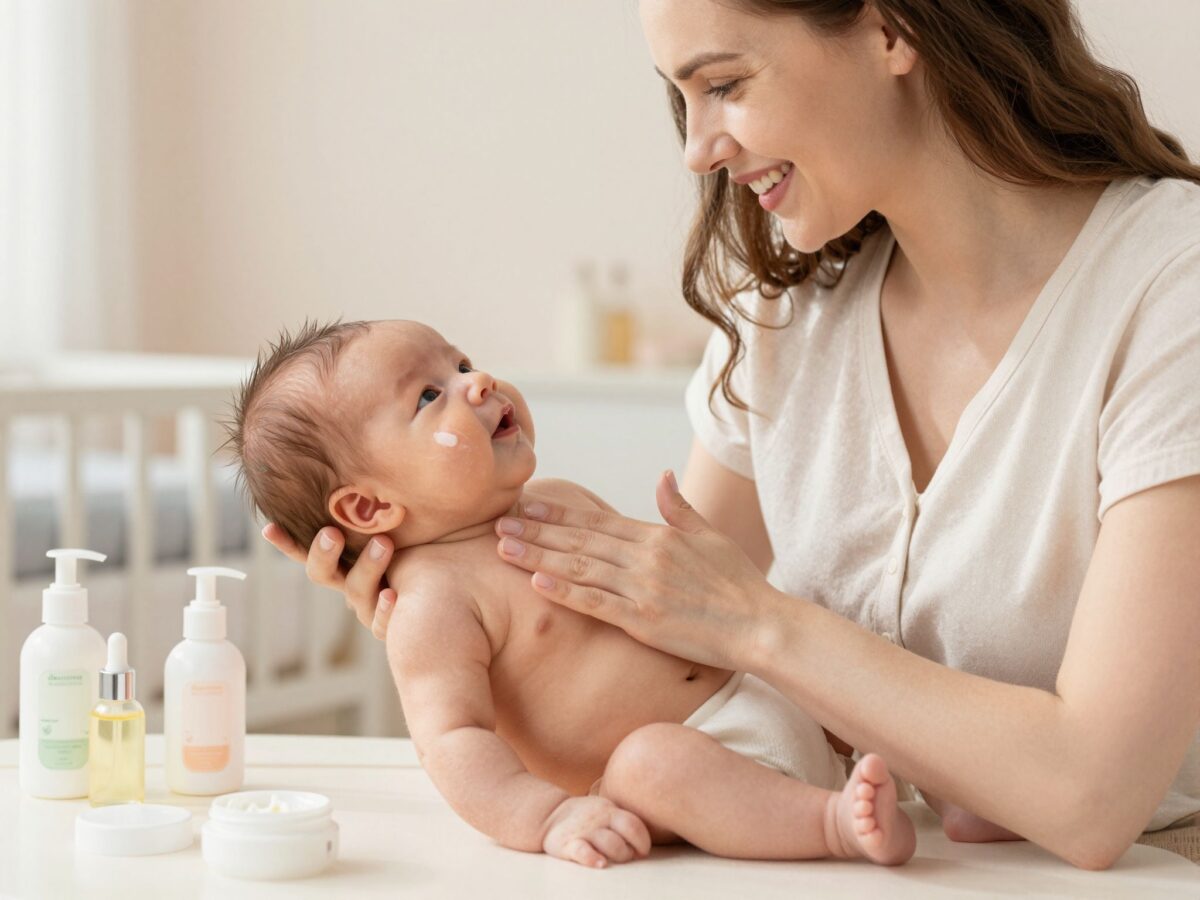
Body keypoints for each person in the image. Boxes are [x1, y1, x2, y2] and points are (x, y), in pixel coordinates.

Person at [265, 0, 1200, 869]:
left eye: (725, 84)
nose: (698, 149)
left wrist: (763, 623)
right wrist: (448, 602)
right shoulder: (784, 318)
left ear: (889, 31)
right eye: (682, 99)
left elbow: (1091, 797)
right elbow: (657, 653)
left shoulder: (1170, 291)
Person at [232, 318, 924, 868]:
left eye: (462, 364)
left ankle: (946, 782)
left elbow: (669, 592)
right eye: (427, 395)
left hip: (757, 692)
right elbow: (453, 738)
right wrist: (547, 816)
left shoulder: (557, 499)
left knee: (824, 634)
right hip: (697, 765)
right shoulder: (430, 605)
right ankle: (835, 826)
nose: (478, 383)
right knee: (651, 764)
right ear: (366, 510)